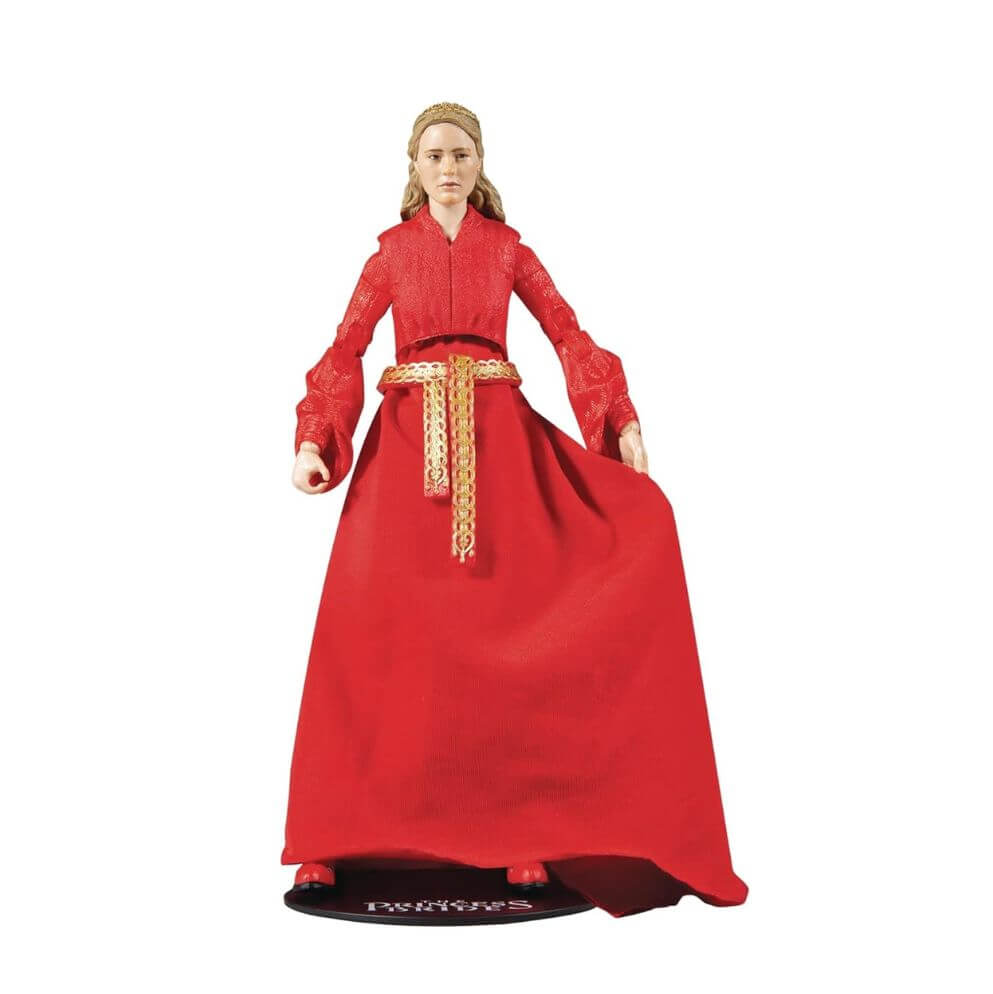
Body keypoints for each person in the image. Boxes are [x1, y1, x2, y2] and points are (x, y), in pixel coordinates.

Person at [282, 101, 748, 918]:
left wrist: (619, 418)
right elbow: (345, 347)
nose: (448, 167)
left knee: (502, 636)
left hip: (501, 450)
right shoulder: (391, 255)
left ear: (480, 162)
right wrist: (317, 437)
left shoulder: (507, 251)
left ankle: (516, 830)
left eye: (460, 153)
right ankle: (335, 839)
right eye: (434, 155)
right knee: (372, 634)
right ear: (414, 165)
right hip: (404, 456)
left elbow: (566, 332)